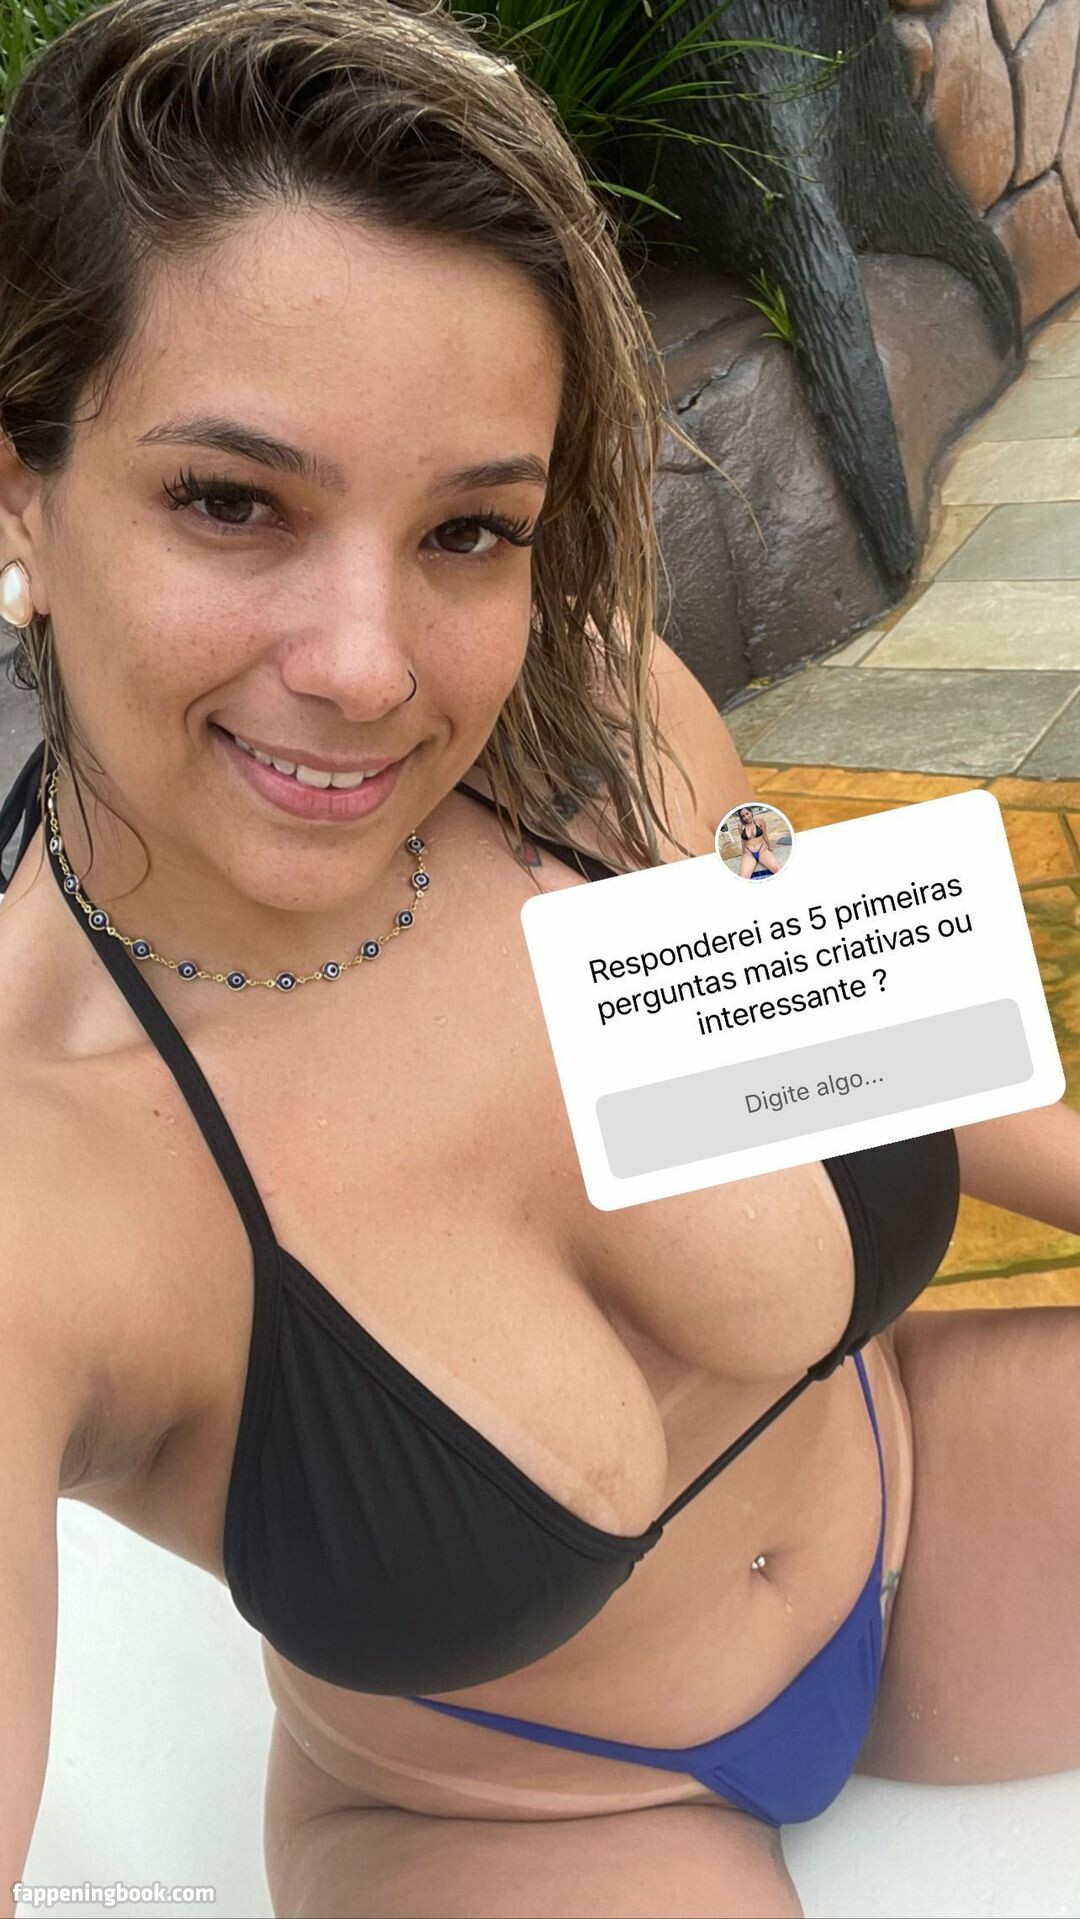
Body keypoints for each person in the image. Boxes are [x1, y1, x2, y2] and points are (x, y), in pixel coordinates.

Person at [1, 3, 1078, 1916]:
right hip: (518, 1815)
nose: (366, 665)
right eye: (231, 499)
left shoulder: (594, 725)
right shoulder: (42, 1181)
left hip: (924, 1495)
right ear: (20, 484)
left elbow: (852, 1035)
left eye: (469, 528)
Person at [735, 803, 783, 879]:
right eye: (743, 816)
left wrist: (769, 847)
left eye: (747, 813)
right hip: (749, 854)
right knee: (743, 878)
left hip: (762, 851)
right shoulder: (740, 826)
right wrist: (743, 852)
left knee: (779, 871)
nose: (746, 817)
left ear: (751, 812)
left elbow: (765, 836)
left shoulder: (760, 821)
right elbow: (743, 840)